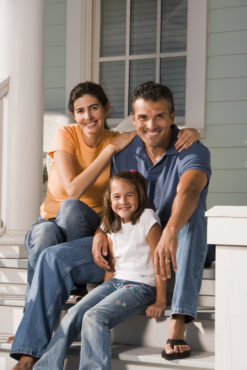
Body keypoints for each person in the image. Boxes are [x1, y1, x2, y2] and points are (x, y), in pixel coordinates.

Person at [10, 81, 200, 369]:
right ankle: (31, 351)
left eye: (94, 108)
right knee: (52, 232)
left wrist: (192, 132)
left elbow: (156, 128)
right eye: (80, 111)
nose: (88, 116)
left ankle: (70, 292)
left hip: (111, 243)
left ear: (106, 109)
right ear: (74, 115)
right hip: (66, 222)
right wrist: (102, 230)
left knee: (87, 310)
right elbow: (73, 190)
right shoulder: (70, 135)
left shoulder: (126, 142)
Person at [93, 81, 211, 360]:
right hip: (139, 243)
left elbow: (190, 189)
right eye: (143, 117)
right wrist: (101, 229)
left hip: (182, 241)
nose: (151, 124)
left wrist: (170, 232)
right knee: (56, 257)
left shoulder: (191, 148)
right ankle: (39, 342)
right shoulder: (123, 152)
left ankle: (178, 321)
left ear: (172, 117)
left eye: (159, 116)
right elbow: (116, 198)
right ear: (133, 119)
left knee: (192, 218)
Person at [33, 170, 166, 369]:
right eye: (117, 196)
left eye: (129, 195)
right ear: (109, 199)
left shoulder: (148, 218)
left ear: (140, 196)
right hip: (116, 283)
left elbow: (159, 261)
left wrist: (161, 300)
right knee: (74, 313)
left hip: (141, 287)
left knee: (94, 317)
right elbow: (111, 265)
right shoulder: (111, 222)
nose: (123, 201)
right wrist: (100, 294)